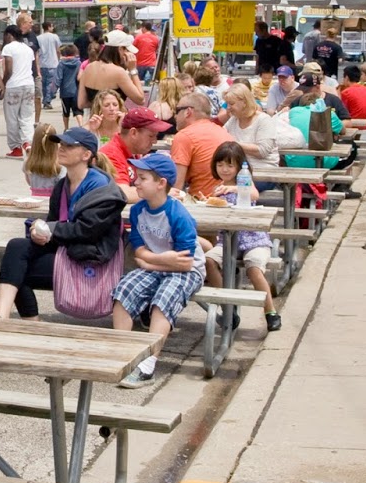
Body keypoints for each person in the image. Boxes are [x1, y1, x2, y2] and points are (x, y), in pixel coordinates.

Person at [0, 127, 125, 322]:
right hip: (69, 252)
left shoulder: (102, 189)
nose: (61, 148)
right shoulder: (62, 186)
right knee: (15, 248)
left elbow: (87, 231)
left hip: (91, 260)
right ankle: (1, 316)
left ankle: (28, 325)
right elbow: (54, 224)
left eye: (69, 145)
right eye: (61, 144)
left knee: (16, 268)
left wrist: (51, 229)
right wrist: (39, 231)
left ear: (86, 154)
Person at [112, 153, 206, 389]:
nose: (136, 183)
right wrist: (158, 260)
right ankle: (123, 355)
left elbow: (185, 263)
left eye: (142, 178)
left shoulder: (178, 214)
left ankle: (148, 365)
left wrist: (150, 262)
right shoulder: (137, 211)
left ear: (161, 183)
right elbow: (139, 251)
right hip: (160, 265)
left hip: (187, 272)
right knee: (124, 289)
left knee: (163, 299)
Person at [199, 142, 280, 332]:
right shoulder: (217, 188)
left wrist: (234, 189)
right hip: (227, 242)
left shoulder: (244, 181)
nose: (224, 170)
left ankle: (271, 312)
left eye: (229, 165)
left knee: (253, 268)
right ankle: (229, 306)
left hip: (254, 239)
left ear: (239, 166)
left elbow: (253, 194)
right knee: (209, 261)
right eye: (220, 165)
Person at [170, 92, 232, 198]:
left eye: (177, 111)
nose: (175, 116)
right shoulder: (223, 132)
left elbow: (176, 186)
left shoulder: (184, 136)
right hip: (228, 198)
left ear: (188, 112)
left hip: (201, 200)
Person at [101, 108, 170, 200]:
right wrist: (160, 192)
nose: (154, 141)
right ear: (133, 133)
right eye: (151, 136)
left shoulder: (134, 150)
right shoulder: (111, 154)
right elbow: (122, 193)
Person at [78, 30, 145, 109]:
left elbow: (81, 104)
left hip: (95, 118)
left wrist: (100, 105)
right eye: (126, 50)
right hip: (115, 118)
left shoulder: (88, 68)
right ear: (120, 49)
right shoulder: (118, 72)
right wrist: (133, 70)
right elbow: (140, 100)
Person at [220, 82, 279, 165]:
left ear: (244, 102)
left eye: (231, 104)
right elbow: (220, 135)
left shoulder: (263, 120)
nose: (228, 108)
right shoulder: (233, 120)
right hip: (238, 168)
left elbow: (262, 151)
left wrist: (234, 145)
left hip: (263, 169)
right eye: (227, 104)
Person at [0, 25, 36, 158]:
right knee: (26, 116)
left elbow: (8, 69)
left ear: (9, 35)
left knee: (12, 117)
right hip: (29, 84)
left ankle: (15, 147)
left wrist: (3, 84)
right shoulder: (28, 49)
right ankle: (28, 142)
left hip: (14, 85)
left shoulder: (8, 48)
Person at [23, 124, 64, 197]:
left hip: (35, 199)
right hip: (54, 200)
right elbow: (62, 185)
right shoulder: (59, 164)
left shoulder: (28, 161)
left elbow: (29, 182)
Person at [57, 43, 83, 127]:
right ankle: (81, 125)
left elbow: (58, 78)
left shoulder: (61, 64)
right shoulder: (79, 63)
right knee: (78, 110)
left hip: (65, 92)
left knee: (65, 111)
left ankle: (66, 128)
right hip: (76, 91)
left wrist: (52, 91)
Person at [37, 22, 62, 108]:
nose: (53, 27)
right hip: (53, 62)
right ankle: (47, 100)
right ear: (48, 27)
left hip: (42, 63)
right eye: (52, 26)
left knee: (44, 83)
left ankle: (46, 98)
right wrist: (59, 59)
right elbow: (58, 50)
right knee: (51, 83)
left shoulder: (38, 38)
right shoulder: (55, 37)